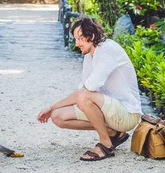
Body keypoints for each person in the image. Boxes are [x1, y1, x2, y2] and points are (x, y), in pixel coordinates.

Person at [37, 15, 142, 161]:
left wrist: (52, 105)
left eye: (79, 39)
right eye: (75, 39)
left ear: (91, 36)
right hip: (108, 110)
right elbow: (82, 89)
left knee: (84, 97)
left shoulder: (108, 50)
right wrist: (52, 108)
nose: (76, 43)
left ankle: (106, 144)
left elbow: (87, 90)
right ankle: (112, 132)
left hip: (127, 113)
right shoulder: (89, 56)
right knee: (57, 117)